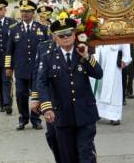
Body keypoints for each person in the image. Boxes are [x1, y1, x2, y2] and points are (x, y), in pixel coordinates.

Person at [37, 18, 103, 163]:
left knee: (86, 154)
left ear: (74, 35)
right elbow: (41, 83)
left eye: (68, 34)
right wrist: (47, 108)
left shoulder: (82, 54)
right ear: (55, 37)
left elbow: (98, 74)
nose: (65, 38)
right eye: (61, 35)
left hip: (85, 114)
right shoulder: (48, 58)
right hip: (62, 115)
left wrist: (87, 56)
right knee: (68, 157)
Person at [5, 0, 49, 130]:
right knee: (20, 94)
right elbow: (9, 50)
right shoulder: (14, 29)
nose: (24, 14)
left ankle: (36, 119)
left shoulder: (42, 29)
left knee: (37, 94)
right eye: (22, 11)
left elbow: (47, 50)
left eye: (28, 11)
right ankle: (23, 119)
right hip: (21, 69)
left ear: (33, 13)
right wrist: (8, 67)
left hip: (37, 70)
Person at [94, 44, 132, 125]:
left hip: (113, 54)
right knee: (96, 85)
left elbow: (125, 38)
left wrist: (126, 57)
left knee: (114, 87)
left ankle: (114, 115)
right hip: (98, 51)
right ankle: (96, 112)